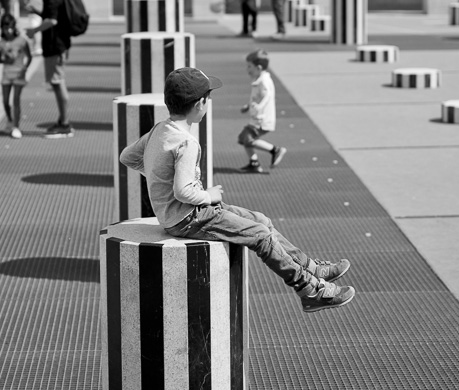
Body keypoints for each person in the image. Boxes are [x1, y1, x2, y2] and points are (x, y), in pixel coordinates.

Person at [120, 67, 354, 313]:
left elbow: (128, 157)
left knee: (262, 221)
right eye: (208, 99)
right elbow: (182, 192)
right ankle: (309, 289)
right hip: (189, 218)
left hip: (188, 214)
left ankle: (310, 266)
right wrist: (208, 195)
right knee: (260, 235)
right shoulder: (186, 142)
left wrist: (160, 177)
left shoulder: (160, 130)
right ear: (200, 104)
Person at [28, 0, 74, 139]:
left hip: (55, 43)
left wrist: (34, 30)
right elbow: (54, 15)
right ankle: (63, 121)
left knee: (57, 82)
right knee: (57, 82)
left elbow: (52, 20)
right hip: (60, 41)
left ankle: (65, 124)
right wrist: (36, 11)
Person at [238, 49, 287, 172]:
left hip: (261, 119)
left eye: (249, 66)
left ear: (258, 67)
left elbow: (267, 95)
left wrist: (260, 107)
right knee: (244, 138)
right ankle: (254, 163)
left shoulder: (264, 81)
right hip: (257, 117)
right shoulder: (260, 79)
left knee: (248, 139)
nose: (247, 69)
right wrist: (248, 106)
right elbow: (257, 97)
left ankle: (275, 150)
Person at [0, 13, 32, 139]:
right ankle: (10, 120)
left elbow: (29, 56)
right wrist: (3, 54)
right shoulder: (1, 43)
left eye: (10, 28)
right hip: (6, 73)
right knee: (5, 101)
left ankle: (16, 126)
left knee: (16, 100)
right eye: (5, 28)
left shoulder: (21, 41)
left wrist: (25, 69)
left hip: (18, 73)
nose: (8, 31)